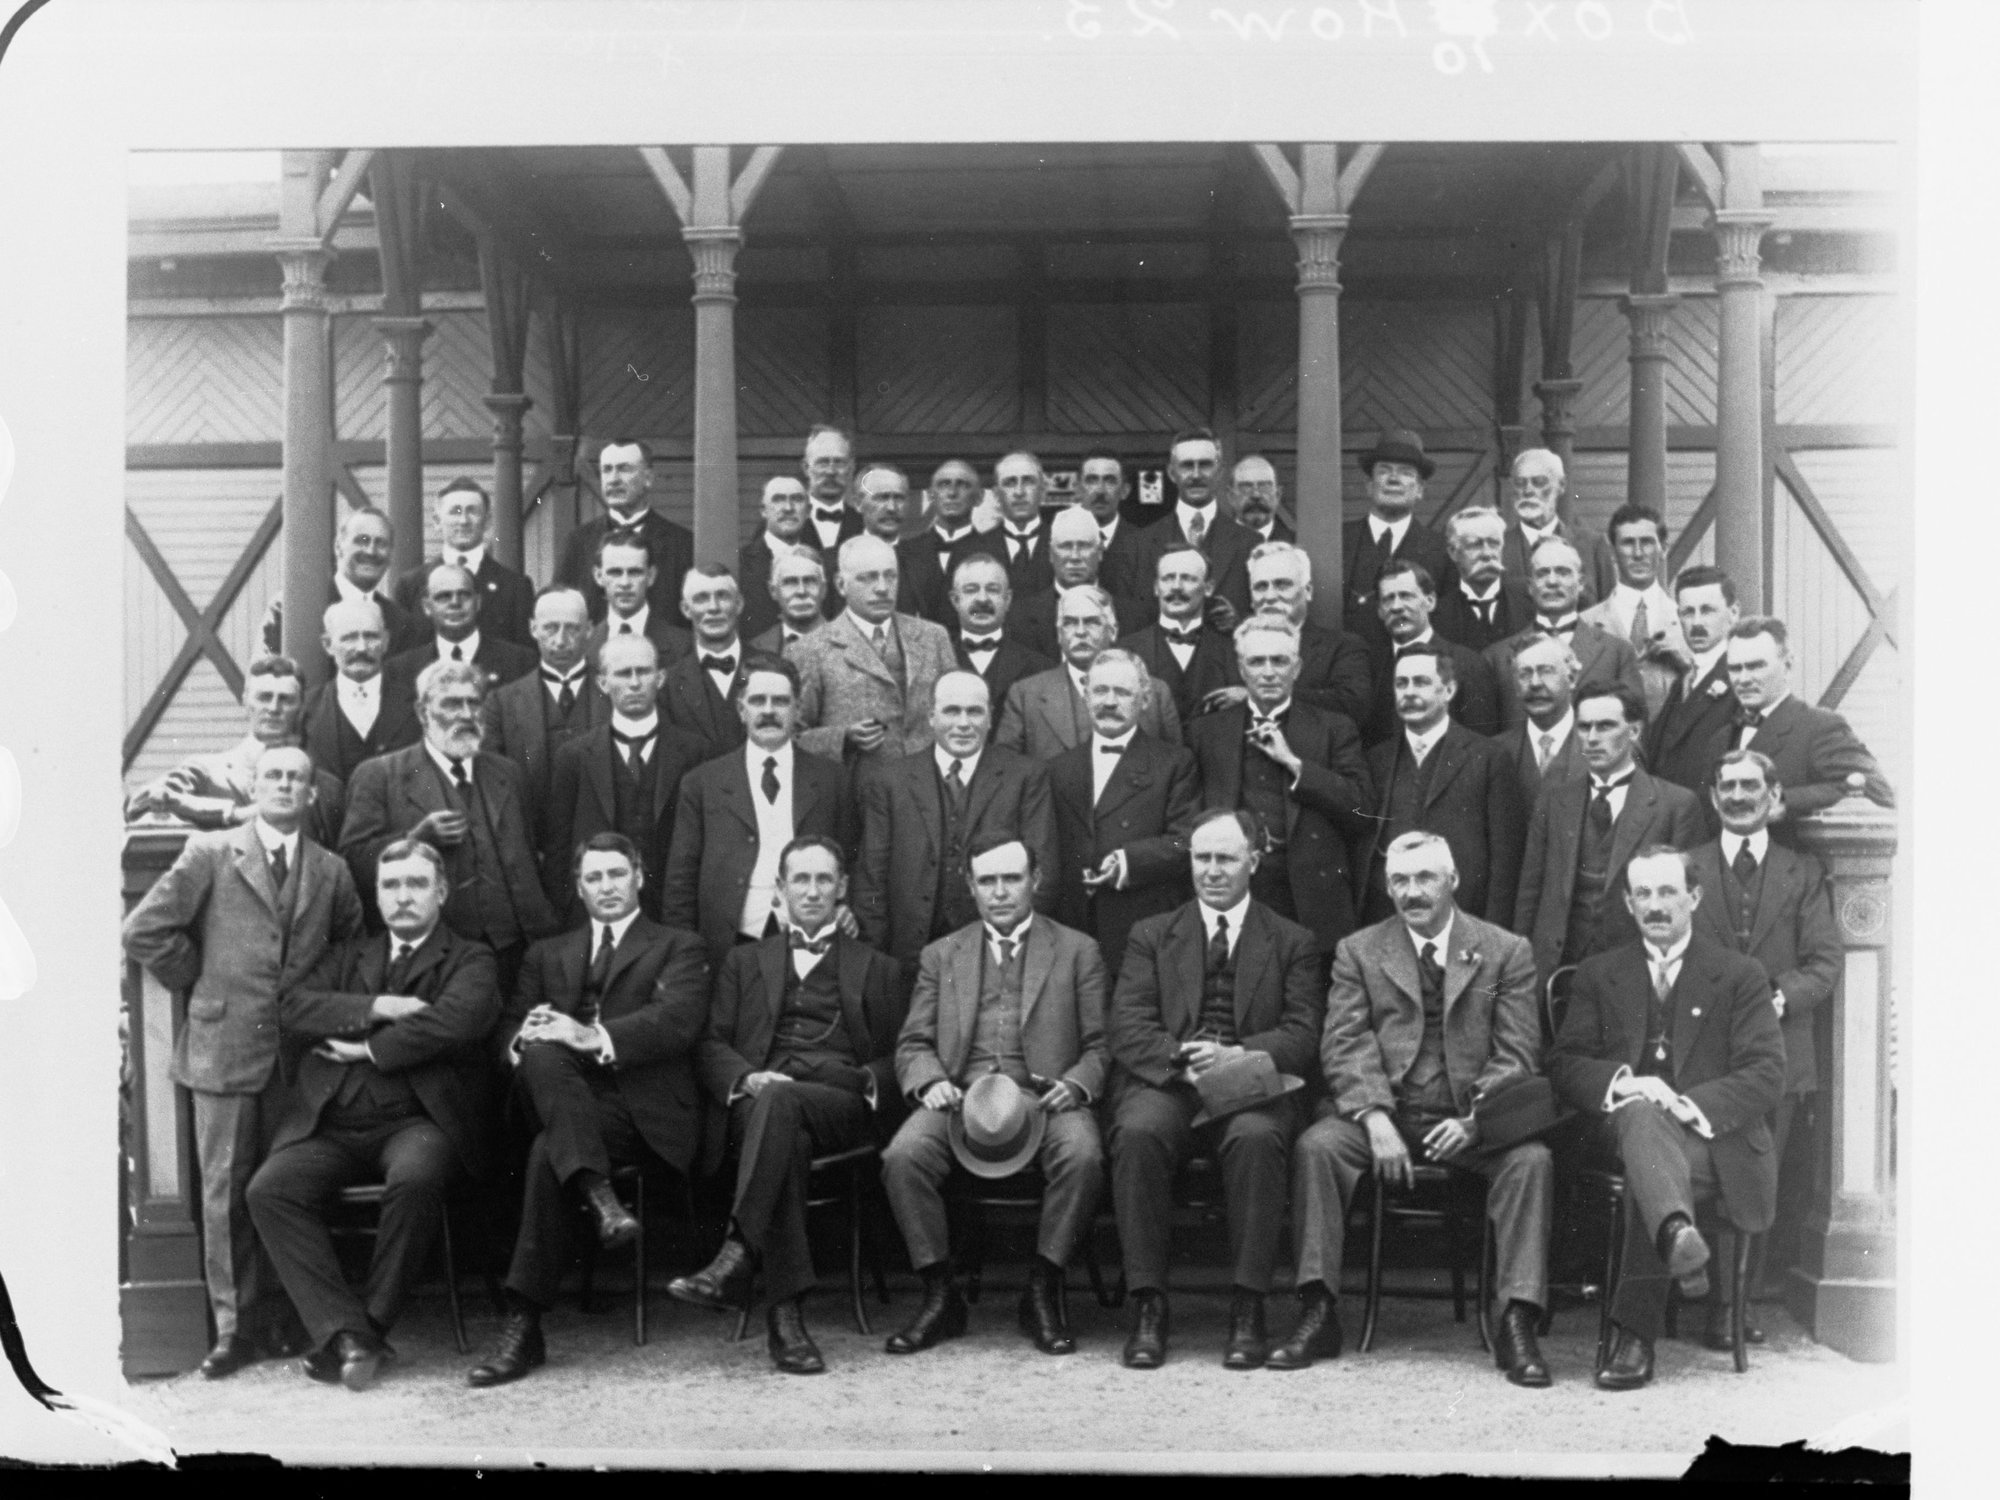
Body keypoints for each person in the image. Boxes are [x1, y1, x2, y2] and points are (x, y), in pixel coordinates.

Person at [122, 745, 365, 1379]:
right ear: (255, 785)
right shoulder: (211, 852)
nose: (285, 785)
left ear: (312, 795)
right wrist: (201, 984)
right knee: (225, 1194)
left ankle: (284, 1317)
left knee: (278, 1191)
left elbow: (348, 950)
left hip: (297, 1060)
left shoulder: (332, 871)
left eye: (298, 779)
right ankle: (235, 1328)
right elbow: (145, 931)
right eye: (275, 776)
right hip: (222, 1049)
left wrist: (317, 1006)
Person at [1284, 832, 1553, 1383]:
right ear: (1387, 888)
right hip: (1387, 1112)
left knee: (1531, 1162)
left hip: (1469, 1118)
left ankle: (1517, 1318)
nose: (1414, 892)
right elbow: (1344, 1043)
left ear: (1453, 881)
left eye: (1426, 878)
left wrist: (1477, 1120)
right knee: (1318, 1148)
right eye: (1401, 881)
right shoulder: (1359, 950)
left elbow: (1518, 1051)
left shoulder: (1505, 951)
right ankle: (1318, 1308)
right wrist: (1373, 1116)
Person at [245, 840, 501, 1391]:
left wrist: (367, 1049)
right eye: (391, 886)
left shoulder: (469, 958)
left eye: (414, 884)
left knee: (417, 1177)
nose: (402, 897)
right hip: (333, 1124)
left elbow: (458, 1021)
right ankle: (348, 1333)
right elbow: (292, 1007)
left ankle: (372, 1323)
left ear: (441, 891)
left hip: (418, 1121)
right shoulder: (348, 956)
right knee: (270, 1189)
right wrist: (376, 1007)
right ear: (377, 895)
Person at [467, 833, 710, 1387]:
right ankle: (601, 1200)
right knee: (542, 1049)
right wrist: (522, 1041)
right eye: (595, 878)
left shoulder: (679, 946)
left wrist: (589, 1035)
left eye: (617, 874)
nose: (607, 886)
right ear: (578, 888)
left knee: (544, 1152)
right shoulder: (545, 953)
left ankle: (523, 1323)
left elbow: (677, 1023)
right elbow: (506, 1030)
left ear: (640, 878)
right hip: (561, 1098)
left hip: (640, 1111)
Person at [1548, 847, 1785, 1391]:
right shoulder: (1600, 973)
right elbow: (1564, 1063)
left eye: (1667, 892)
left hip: (1710, 1142)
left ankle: (1636, 1333)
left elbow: (1766, 1072)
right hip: (1623, 1129)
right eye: (1643, 895)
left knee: (1647, 1170)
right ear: (1629, 904)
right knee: (1639, 1117)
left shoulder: (1740, 975)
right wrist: (1625, 1084)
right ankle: (1677, 1234)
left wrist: (1686, 1104)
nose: (1655, 905)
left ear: (1694, 897)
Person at [675, 837, 907, 1374]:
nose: (812, 891)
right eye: (799, 880)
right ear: (779, 890)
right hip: (760, 1101)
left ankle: (736, 1257)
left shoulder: (879, 967)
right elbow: (710, 1043)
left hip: (838, 1105)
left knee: (783, 1111)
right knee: (783, 1129)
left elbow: (902, 1054)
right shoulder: (742, 961)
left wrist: (864, 1080)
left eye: (824, 880)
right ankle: (786, 1319)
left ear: (842, 888)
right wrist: (747, 1077)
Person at [1106, 809, 1324, 1370]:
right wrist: (1185, 1062)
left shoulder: (1292, 939)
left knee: (1257, 1138)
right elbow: (1129, 1026)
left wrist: (1237, 1055)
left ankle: (1247, 1308)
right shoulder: (1152, 934)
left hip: (1251, 1084)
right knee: (1137, 1132)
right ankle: (1148, 1305)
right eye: (1202, 858)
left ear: (1254, 860)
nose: (1211, 870)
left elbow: (1303, 1034)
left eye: (1226, 858)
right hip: (1173, 1079)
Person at [880, 835, 1109, 1358]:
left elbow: (1100, 1045)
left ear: (1036, 880)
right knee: (902, 1157)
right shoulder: (943, 954)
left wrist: (1074, 1084)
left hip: (1044, 1098)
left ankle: (1043, 1288)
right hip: (962, 1097)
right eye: (988, 881)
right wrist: (930, 1079)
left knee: (1083, 1157)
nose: (1000, 892)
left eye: (1011, 878)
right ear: (971, 887)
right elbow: (913, 1041)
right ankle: (941, 1294)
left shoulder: (1077, 950)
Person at [1689, 749, 1841, 1329]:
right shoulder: (1688, 867)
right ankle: (1702, 1295)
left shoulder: (1801, 872)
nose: (1738, 795)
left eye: (1750, 785)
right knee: (1705, 1169)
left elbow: (1824, 964)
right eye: (1726, 785)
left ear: (1773, 796)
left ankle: (1735, 1306)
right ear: (1713, 796)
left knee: (1758, 1176)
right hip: (1702, 1048)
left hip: (1778, 1053)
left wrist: (1775, 998)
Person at [340, 660, 558, 987]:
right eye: (452, 703)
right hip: (436, 958)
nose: (467, 714)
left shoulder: (507, 773)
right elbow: (352, 863)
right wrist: (415, 838)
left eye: (474, 703)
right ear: (422, 711)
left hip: (517, 949)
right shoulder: (380, 775)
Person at [1188, 619, 1372, 964]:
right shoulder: (1206, 733)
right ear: (1241, 669)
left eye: (1279, 661)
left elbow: (1362, 810)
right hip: (1234, 893)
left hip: (1310, 900)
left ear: (1297, 668)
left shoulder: (1334, 728)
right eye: (1257, 662)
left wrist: (1296, 765)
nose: (1269, 672)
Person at [853, 669, 1059, 973]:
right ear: (932, 716)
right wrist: (878, 959)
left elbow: (1042, 872)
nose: (963, 724)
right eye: (952, 711)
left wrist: (1011, 949)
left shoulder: (1025, 777)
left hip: (996, 957)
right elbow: (872, 876)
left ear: (990, 718)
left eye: (974, 712)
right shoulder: (890, 781)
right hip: (909, 956)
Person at [661, 655, 850, 970]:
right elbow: (681, 880)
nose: (768, 711)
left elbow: (851, 858)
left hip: (810, 939)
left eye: (780, 701)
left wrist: (846, 906)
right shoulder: (703, 782)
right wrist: (686, 957)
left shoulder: (833, 780)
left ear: (798, 710)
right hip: (730, 942)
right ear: (741, 710)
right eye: (758, 701)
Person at [1514, 684, 1705, 991]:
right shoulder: (1554, 801)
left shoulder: (1675, 805)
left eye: (1605, 726)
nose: (1591, 738)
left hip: (1640, 972)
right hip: (1558, 969)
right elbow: (1529, 893)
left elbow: (1692, 906)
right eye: (1584, 727)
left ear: (1634, 731)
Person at [1046, 649, 1202, 977]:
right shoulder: (1057, 769)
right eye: (1100, 691)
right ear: (1085, 696)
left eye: (1122, 692)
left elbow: (1186, 841)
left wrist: (1127, 861)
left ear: (1145, 700)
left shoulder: (1174, 764)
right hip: (1071, 928)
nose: (1110, 702)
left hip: (1140, 925)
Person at [542, 634, 708, 925]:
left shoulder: (696, 752)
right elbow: (558, 850)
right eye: (623, 673)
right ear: (603, 683)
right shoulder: (574, 756)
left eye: (643, 672)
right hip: (597, 916)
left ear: (660, 678)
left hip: (671, 915)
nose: (634, 683)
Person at [1356, 642, 1524, 926]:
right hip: (1389, 921)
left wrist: (1492, 933)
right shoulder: (1376, 760)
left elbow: (1505, 860)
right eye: (1401, 684)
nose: (1409, 692)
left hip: (1464, 919)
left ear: (1448, 690)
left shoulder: (1488, 757)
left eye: (1421, 682)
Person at [129, 654, 346, 847]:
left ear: (301, 706)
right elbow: (141, 802)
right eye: (264, 697)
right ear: (245, 700)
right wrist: (232, 814)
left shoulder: (324, 786)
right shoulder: (208, 771)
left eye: (286, 700)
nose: (273, 708)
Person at [789, 534, 959, 767]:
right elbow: (792, 735)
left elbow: (958, 712)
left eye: (890, 576)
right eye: (867, 578)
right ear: (840, 584)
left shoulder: (933, 637)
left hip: (927, 788)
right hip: (856, 790)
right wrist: (841, 738)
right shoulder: (810, 650)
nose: (882, 588)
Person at [1718, 615, 1893, 841]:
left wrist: (1785, 801)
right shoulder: (1719, 739)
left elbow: (1877, 790)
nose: (1743, 679)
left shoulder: (1820, 727)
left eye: (1755, 666)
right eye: (1735, 668)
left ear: (1788, 665)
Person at [1197, 541, 1374, 731]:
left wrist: (1256, 696)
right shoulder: (1224, 651)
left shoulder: (1343, 647)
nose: (1270, 596)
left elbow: (1354, 706)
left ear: (1308, 591)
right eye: (1261, 587)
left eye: (1282, 585)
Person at [484, 586, 610, 845]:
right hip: (533, 846)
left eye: (572, 628)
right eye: (550, 628)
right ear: (533, 629)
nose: (561, 640)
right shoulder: (502, 702)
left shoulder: (614, 693)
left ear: (589, 629)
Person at [995, 585, 1181, 760]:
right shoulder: (1026, 695)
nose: (1080, 632)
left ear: (1113, 631)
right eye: (1070, 623)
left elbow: (1175, 765)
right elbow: (1007, 771)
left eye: (1092, 622)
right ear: (1059, 635)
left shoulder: (1155, 693)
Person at [1484, 537, 1644, 732]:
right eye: (1542, 574)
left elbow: (1635, 729)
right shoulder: (1497, 657)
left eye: (1563, 572)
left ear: (1581, 583)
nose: (1552, 582)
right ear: (1530, 586)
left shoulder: (1617, 653)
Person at [260, 505, 425, 668]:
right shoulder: (291, 609)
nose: (371, 551)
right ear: (338, 546)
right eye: (362, 540)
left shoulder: (400, 623)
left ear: (390, 554)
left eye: (381, 543)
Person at [555, 438, 694, 626]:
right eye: (607, 470)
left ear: (648, 478)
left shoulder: (681, 543)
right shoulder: (578, 541)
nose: (613, 479)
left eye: (624, 469)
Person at [1363, 561, 1502, 742]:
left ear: (1430, 601)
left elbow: (1482, 748)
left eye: (1406, 596)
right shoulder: (1371, 667)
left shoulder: (1467, 664)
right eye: (1388, 599)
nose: (1396, 607)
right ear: (1380, 611)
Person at [390, 478, 535, 648]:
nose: (464, 521)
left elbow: (525, 659)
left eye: (472, 511)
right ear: (437, 521)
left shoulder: (515, 587)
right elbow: (400, 658)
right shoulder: (411, 586)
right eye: (455, 511)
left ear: (487, 521)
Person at [1340, 428, 1455, 634]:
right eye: (1384, 471)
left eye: (1405, 472)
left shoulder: (1442, 550)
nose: (1394, 479)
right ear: (1368, 485)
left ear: (1420, 489)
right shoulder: (1339, 540)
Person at [1580, 503, 1689, 720]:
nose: (1638, 554)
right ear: (1612, 552)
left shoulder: (1686, 620)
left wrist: (1687, 662)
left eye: (1647, 542)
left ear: (1663, 549)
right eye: (1628, 543)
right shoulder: (1586, 623)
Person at [1137, 428, 1254, 626]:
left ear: (1220, 470)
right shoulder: (1142, 542)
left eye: (1205, 465)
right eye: (1187, 466)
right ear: (1172, 473)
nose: (1196, 474)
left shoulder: (1249, 543)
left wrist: (1239, 622)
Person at [1642, 566, 1742, 796]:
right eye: (1688, 612)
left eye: (1707, 611)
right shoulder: (1685, 679)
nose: (1696, 623)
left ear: (1733, 612)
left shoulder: (1740, 679)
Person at [1009, 505, 1152, 662]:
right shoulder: (1018, 618)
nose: (1075, 556)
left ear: (1100, 552)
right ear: (1050, 554)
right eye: (1065, 546)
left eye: (1084, 546)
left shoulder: (1134, 618)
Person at [301, 599, 422, 785]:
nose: (361, 648)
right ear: (327, 645)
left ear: (386, 641)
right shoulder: (306, 708)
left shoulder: (417, 705)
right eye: (349, 638)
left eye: (371, 637)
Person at [1115, 545, 1232, 727]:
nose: (1176, 587)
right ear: (1156, 587)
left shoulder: (1231, 651)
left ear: (1208, 588)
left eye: (1187, 578)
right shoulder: (1124, 651)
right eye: (1168, 578)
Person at [383, 562, 537, 697]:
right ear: (427, 607)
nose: (455, 603)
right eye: (444, 597)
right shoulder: (400, 671)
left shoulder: (521, 664)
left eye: (464, 595)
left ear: (478, 602)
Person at [1501, 448, 1617, 606]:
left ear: (1561, 485)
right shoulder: (1497, 548)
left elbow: (1608, 612)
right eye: (1520, 483)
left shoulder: (1592, 546)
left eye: (1539, 482)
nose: (1527, 491)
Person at [659, 563, 751, 756]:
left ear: (739, 604)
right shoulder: (669, 683)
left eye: (723, 596)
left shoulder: (772, 671)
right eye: (701, 599)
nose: (713, 608)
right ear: (685, 609)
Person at [1494, 633, 1589, 813]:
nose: (1535, 683)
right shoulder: (1495, 751)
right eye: (1524, 674)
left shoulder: (1604, 744)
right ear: (1515, 685)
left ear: (1573, 678)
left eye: (1546, 671)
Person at [947, 551, 1052, 712]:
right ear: (955, 600)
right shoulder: (938, 662)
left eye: (993, 589)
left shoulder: (1040, 668)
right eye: (971, 590)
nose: (982, 599)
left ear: (1008, 599)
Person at [852, 463, 951, 627]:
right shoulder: (837, 561)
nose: (891, 508)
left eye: (899, 498)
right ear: (858, 503)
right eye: (881, 498)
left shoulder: (927, 562)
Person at [1433, 505, 1534, 653]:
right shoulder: (1438, 615)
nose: (1487, 554)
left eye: (1494, 543)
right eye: (1475, 545)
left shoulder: (1530, 599)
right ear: (1453, 552)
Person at [585, 531, 695, 665]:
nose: (625, 583)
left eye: (635, 572)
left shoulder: (684, 645)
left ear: (651, 576)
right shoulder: (584, 646)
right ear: (598, 576)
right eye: (615, 572)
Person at [739, 475, 823, 643]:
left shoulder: (824, 563)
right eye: (778, 500)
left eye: (797, 500)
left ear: (808, 511)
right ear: (763, 510)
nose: (788, 508)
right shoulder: (740, 563)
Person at [978, 450, 1058, 599]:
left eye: (1028, 481)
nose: (1019, 492)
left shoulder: (1064, 544)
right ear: (996, 493)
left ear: (1043, 489)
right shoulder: (975, 548)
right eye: (1010, 483)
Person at [1075, 448, 1152, 600]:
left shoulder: (1144, 545)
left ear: (1124, 490)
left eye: (1110, 481)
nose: (1100, 491)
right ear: (1078, 489)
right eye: (1092, 480)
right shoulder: (1060, 543)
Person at [750, 550, 831, 656]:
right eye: (790, 582)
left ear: (824, 589)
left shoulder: (850, 641)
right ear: (773, 591)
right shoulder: (755, 650)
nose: (801, 591)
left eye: (810, 581)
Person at [801, 424, 864, 554]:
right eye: (823, 462)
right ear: (806, 468)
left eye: (839, 462)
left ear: (851, 468)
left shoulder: (864, 524)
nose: (831, 471)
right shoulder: (783, 521)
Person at [1229, 455, 1293, 545]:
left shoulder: (1300, 546)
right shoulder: (1209, 549)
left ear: (1278, 495)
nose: (1256, 495)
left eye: (1264, 487)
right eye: (1246, 487)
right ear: (1231, 496)